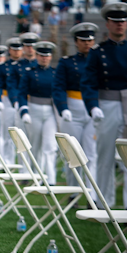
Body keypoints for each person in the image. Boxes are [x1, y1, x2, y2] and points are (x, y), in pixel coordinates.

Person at [80, 2, 127, 210]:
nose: (120, 25)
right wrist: (93, 106)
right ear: (108, 24)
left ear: (126, 24)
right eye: (115, 22)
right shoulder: (97, 52)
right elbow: (88, 82)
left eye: (123, 22)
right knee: (105, 155)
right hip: (107, 105)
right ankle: (104, 201)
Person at [52, 22, 99, 198]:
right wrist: (63, 108)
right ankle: (74, 191)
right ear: (76, 42)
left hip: (93, 109)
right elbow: (58, 87)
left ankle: (92, 194)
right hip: (73, 107)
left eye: (90, 40)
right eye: (83, 40)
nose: (87, 43)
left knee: (91, 153)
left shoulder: (99, 62)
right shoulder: (67, 63)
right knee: (72, 153)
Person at [18, 41, 58, 186]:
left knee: (50, 145)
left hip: (50, 110)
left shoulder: (55, 72)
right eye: (41, 55)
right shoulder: (29, 72)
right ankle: (35, 174)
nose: (44, 58)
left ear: (50, 56)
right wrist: (24, 110)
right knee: (35, 144)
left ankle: (50, 179)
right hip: (33, 108)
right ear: (37, 55)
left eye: (47, 56)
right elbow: (22, 93)